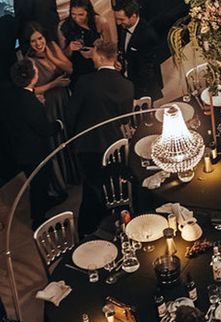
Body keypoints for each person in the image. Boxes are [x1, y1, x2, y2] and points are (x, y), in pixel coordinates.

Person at [65, 39, 134, 235]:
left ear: (100, 56)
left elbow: (71, 113)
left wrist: (72, 137)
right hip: (112, 144)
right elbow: (124, 118)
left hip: (87, 144)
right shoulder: (126, 85)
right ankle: (110, 215)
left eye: (94, 54)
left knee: (91, 186)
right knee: (107, 181)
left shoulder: (85, 82)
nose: (92, 57)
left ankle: (86, 229)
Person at [4, 60, 61, 226]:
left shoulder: (12, 94)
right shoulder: (30, 102)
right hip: (34, 152)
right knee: (39, 184)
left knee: (37, 182)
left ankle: (47, 201)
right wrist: (59, 124)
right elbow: (45, 129)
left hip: (18, 149)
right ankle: (38, 219)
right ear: (33, 78)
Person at [112, 0, 163, 100]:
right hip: (130, 80)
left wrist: (136, 92)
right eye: (116, 19)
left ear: (133, 16)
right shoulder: (124, 27)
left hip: (143, 86)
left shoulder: (147, 35)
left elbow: (147, 69)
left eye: (121, 19)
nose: (118, 23)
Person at [19, 23, 72, 117]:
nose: (38, 43)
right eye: (33, 41)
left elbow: (70, 69)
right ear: (29, 43)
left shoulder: (52, 46)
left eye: (40, 38)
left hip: (67, 95)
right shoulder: (29, 61)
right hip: (51, 103)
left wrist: (51, 57)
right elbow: (31, 90)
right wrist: (54, 84)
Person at [60, 0, 112, 82]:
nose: (77, 18)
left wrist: (95, 51)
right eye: (73, 14)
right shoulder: (65, 26)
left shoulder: (99, 22)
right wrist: (70, 48)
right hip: (76, 66)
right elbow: (63, 55)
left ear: (88, 12)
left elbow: (109, 47)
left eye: (81, 14)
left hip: (95, 63)